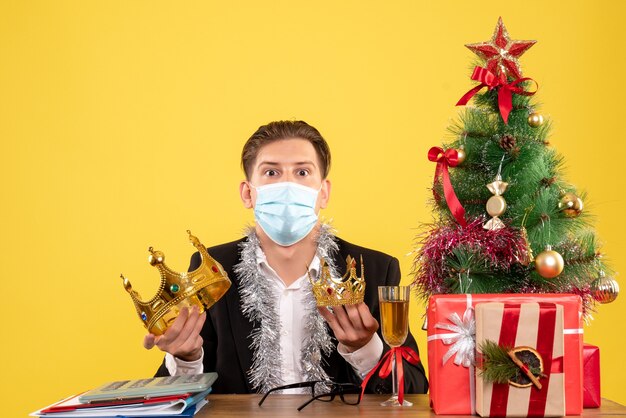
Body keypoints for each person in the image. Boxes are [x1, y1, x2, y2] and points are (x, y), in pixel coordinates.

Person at [144, 120, 428, 394]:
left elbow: (415, 389)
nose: (288, 184)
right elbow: (174, 399)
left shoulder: (376, 270)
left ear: (323, 193)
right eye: (271, 173)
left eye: (302, 172)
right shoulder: (213, 270)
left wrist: (365, 348)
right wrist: (187, 357)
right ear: (247, 194)